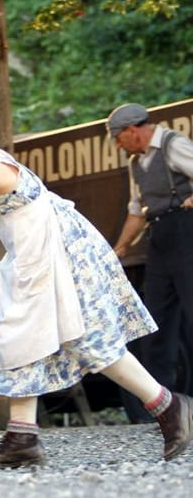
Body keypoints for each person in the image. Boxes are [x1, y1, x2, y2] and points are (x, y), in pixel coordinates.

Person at [0, 91, 193, 469]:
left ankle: (168, 405)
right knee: (19, 338)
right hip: (34, 258)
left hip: (59, 253)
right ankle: (22, 438)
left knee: (88, 339)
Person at [108, 103, 193, 421]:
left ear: (132, 131)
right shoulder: (136, 163)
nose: (118, 145)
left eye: (118, 138)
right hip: (160, 236)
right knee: (155, 320)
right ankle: (162, 407)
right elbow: (136, 211)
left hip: (187, 232)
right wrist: (120, 247)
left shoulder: (173, 145)